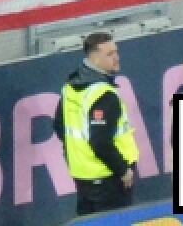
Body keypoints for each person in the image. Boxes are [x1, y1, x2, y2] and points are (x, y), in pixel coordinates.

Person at [59, 31, 138, 212]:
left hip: (84, 177)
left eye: (116, 52)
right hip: (109, 180)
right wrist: (123, 170)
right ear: (94, 58)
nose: (117, 58)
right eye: (109, 54)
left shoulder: (71, 87)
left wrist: (76, 155)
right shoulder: (103, 95)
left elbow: (59, 126)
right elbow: (100, 141)